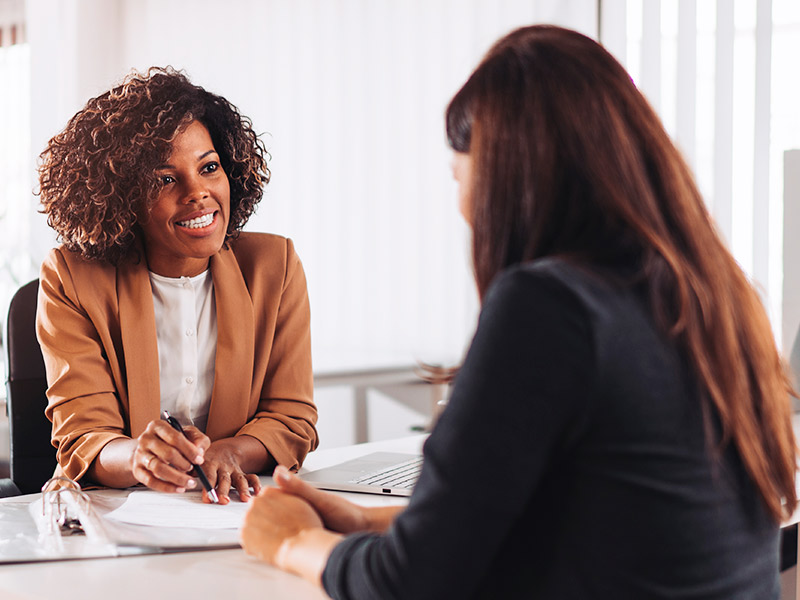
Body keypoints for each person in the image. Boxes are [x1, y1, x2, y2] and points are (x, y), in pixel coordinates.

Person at [240, 25, 798, 598]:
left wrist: (290, 542)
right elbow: (591, 520)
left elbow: (412, 585)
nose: (462, 210)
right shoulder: (724, 298)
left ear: (505, 176)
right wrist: (361, 520)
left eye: (459, 176)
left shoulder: (551, 306)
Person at [36, 67, 318, 504]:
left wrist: (230, 453)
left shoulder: (273, 266)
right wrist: (137, 457)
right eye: (165, 179)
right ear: (123, 195)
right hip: (113, 515)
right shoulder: (72, 277)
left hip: (231, 510)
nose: (198, 192)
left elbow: (291, 418)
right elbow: (84, 435)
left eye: (209, 167)